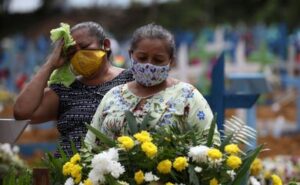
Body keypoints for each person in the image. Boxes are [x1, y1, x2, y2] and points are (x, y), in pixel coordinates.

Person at [85, 23, 220, 148]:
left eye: (158, 60)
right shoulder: (113, 95)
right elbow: (90, 147)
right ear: (131, 55)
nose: (149, 65)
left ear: (171, 61)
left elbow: (210, 146)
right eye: (142, 58)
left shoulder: (187, 96)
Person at [13, 21, 134, 156]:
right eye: (71, 52)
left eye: (84, 46)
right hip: (68, 172)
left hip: (115, 171)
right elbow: (21, 112)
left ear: (105, 45)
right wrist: (50, 64)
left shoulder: (130, 80)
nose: (78, 55)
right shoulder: (65, 90)